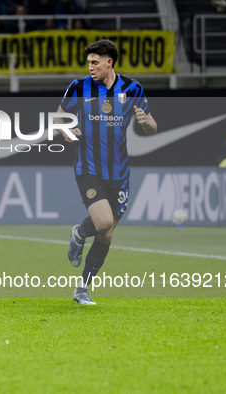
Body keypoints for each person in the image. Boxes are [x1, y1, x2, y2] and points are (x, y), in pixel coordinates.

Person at [58, 39, 157, 305]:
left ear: (109, 62)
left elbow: (152, 126)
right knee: (102, 223)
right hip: (88, 168)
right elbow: (58, 117)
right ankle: (79, 233)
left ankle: (82, 288)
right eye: (88, 62)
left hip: (120, 172)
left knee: (107, 234)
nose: (89, 67)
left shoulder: (132, 88)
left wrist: (147, 123)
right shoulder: (79, 87)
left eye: (94, 62)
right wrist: (66, 130)